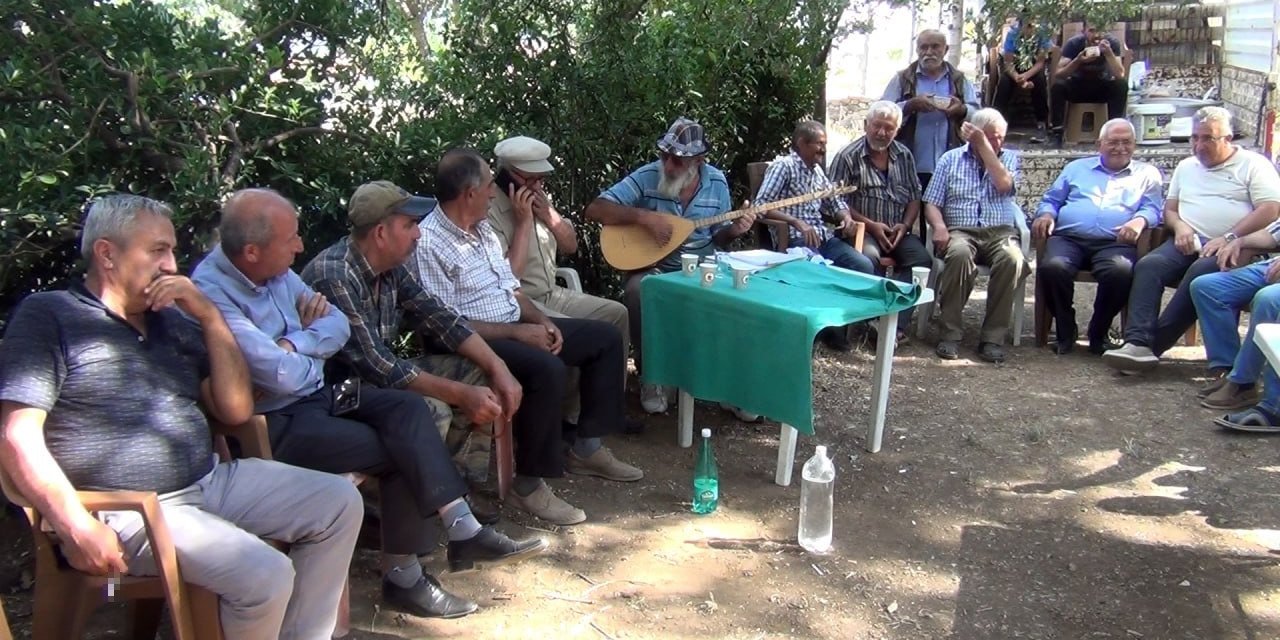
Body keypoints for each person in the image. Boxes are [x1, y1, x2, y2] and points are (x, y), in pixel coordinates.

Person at [0, 194, 362, 640]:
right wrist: (75, 524)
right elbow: (17, 437)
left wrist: (210, 318)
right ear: (107, 254)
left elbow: (235, 408)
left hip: (207, 482)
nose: (172, 265)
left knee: (338, 502)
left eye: (172, 250)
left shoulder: (172, 321)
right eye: (157, 251)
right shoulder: (50, 316)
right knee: (265, 573)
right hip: (124, 510)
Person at [193, 189, 546, 620]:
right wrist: (303, 349)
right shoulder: (226, 289)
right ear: (251, 251)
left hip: (319, 394)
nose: (301, 247)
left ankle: (461, 524)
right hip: (275, 418)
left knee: (409, 412)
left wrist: (293, 344)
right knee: (405, 443)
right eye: (292, 240)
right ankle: (406, 576)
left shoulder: (279, 270)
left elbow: (334, 328)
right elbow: (282, 373)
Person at [412, 149, 644, 526]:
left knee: (604, 337)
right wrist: (520, 332)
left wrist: (541, 321)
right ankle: (529, 485)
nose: (493, 193)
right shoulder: (430, 242)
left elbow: (511, 289)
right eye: (489, 186)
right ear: (470, 192)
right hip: (470, 339)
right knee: (546, 368)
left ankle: (586, 449)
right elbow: (447, 324)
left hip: (511, 322)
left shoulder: (480, 228)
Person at [299, 181, 535, 520]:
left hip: (376, 381)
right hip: (337, 392)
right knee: (430, 408)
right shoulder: (333, 275)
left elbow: (441, 317)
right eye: (409, 225)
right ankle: (383, 510)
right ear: (381, 233)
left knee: (478, 375)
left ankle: (455, 488)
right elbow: (377, 365)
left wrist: (498, 367)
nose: (418, 235)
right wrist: (460, 394)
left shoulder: (392, 267)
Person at [584, 117, 755, 414]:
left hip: (704, 269)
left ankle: (729, 386)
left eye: (677, 160)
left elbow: (721, 237)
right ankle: (652, 375)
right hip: (657, 267)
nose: (668, 164)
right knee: (638, 289)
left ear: (698, 161)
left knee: (741, 296)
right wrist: (644, 218)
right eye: (665, 156)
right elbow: (595, 209)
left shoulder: (716, 182)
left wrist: (736, 229)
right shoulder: (649, 175)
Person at [1103, 107, 1280, 373]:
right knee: (1149, 265)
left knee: (1199, 274)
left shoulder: (1254, 165)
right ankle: (1136, 342)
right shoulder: (1186, 167)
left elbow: (1270, 209)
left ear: (1228, 138)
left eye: (1208, 138)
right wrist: (1181, 226)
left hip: (1234, 246)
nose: (1199, 145)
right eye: (1194, 138)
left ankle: (1153, 346)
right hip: (1187, 240)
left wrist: (1230, 237)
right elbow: (1170, 209)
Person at [486, 136, 638, 433]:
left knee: (616, 313)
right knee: (570, 332)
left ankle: (608, 410)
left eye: (541, 179)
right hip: (520, 299)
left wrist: (548, 215)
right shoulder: (490, 209)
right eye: (532, 179)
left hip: (552, 291)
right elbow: (505, 278)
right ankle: (569, 421)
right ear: (508, 176)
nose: (538, 185)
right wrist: (523, 222)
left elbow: (570, 246)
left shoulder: (538, 197)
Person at [1032, 119, 1164, 355]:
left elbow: (1153, 208)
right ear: (1099, 144)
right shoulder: (1076, 168)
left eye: (1127, 142)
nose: (1120, 148)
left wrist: (1139, 220)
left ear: (1135, 145)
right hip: (1069, 238)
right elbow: (1052, 200)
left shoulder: (1147, 174)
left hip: (1115, 242)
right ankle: (1065, 326)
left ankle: (1098, 330)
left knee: (1120, 271)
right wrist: (1047, 215)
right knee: (1052, 267)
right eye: (1113, 142)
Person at [756, 119, 875, 350]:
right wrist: (795, 221)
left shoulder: (817, 171)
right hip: (794, 239)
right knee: (819, 272)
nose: (823, 149)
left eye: (825, 144)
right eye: (819, 144)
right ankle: (812, 331)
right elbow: (761, 205)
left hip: (822, 238)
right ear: (802, 143)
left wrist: (845, 218)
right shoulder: (784, 167)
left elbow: (834, 201)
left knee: (862, 266)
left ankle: (835, 327)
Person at [922, 108, 1027, 364]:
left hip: (999, 233)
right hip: (961, 231)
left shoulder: (1009, 159)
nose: (996, 142)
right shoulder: (950, 159)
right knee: (957, 255)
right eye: (989, 136)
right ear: (973, 134)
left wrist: (985, 148)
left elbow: (1003, 185)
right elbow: (932, 202)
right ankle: (950, 334)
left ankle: (992, 338)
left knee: (1013, 260)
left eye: (1000, 137)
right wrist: (939, 226)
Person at [828, 101, 933, 342]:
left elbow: (914, 196)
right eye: (877, 126)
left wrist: (905, 225)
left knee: (921, 260)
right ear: (866, 125)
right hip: (863, 231)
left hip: (897, 231)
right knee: (868, 260)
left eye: (889, 128)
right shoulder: (848, 156)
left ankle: (895, 325)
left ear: (897, 130)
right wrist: (872, 225)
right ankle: (870, 320)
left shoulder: (903, 155)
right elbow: (835, 202)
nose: (882, 133)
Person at [1190, 221, 1280, 415]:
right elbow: (1273, 233)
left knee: (1268, 300)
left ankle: (1244, 382)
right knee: (1207, 288)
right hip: (1274, 266)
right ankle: (1230, 369)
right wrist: (1239, 241)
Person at [883, 29, 979, 194]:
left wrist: (962, 110)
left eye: (935, 47)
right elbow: (882, 111)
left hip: (951, 166)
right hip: (909, 165)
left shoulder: (959, 80)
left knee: (943, 218)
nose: (929, 52)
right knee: (911, 217)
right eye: (924, 47)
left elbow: (978, 115)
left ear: (945, 49)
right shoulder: (903, 79)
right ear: (917, 50)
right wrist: (911, 105)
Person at [1051, 22, 1129, 145]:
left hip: (1102, 86)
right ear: (1084, 31)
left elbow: (1119, 74)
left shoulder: (1111, 43)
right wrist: (1078, 60)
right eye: (1092, 31)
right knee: (1058, 87)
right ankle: (1057, 133)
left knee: (1121, 85)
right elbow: (1059, 74)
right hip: (1078, 86)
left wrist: (1109, 53)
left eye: (1100, 31)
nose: (1096, 35)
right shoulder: (1074, 43)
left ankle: (1114, 131)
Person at [993, 14, 1053, 142]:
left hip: (1033, 68)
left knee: (1040, 81)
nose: (1029, 29)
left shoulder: (1042, 35)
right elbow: (1008, 63)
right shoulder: (1013, 35)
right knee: (1004, 82)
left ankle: (1042, 123)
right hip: (1015, 68)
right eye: (1026, 25)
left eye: (1032, 26)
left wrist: (1025, 76)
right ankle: (995, 121)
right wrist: (1017, 77)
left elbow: (1040, 63)